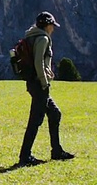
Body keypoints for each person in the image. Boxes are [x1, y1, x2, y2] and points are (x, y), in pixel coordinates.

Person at [18, 11, 75, 167]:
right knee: (35, 121)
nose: (53, 29)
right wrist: (44, 82)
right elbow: (38, 62)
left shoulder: (32, 36)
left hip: (33, 83)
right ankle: (25, 156)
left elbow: (39, 62)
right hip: (39, 85)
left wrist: (46, 72)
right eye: (52, 25)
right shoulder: (43, 38)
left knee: (54, 114)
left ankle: (56, 151)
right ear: (47, 25)